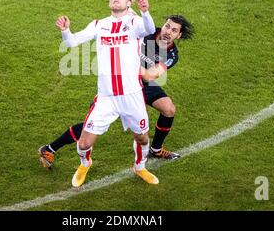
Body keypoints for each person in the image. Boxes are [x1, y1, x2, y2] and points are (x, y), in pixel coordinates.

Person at [40, 12, 194, 175]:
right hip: (119, 84)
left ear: (179, 35)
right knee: (91, 127)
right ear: (163, 25)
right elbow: (127, 20)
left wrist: (131, 63)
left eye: (174, 30)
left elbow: (149, 75)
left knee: (168, 109)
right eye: (167, 26)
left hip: (143, 84)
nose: (168, 31)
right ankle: (49, 149)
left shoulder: (171, 54)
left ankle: (155, 149)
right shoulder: (145, 31)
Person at [55, 0, 158, 187]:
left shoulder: (136, 22)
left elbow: (150, 30)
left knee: (142, 138)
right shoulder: (99, 24)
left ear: (129, 2)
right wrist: (66, 31)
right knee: (84, 143)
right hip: (107, 97)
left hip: (132, 95)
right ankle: (85, 163)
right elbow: (72, 42)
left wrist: (145, 12)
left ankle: (140, 166)